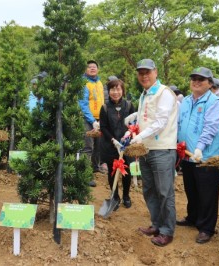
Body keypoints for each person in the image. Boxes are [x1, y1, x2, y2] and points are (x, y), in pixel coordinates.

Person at [125, 59, 178, 247]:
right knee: (149, 190)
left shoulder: (164, 93)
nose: (144, 76)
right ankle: (156, 224)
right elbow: (142, 119)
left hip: (162, 149)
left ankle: (167, 231)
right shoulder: (144, 94)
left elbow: (161, 121)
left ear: (155, 72)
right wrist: (131, 131)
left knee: (164, 192)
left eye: (147, 72)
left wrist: (140, 137)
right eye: (141, 73)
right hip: (146, 150)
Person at [177, 67, 219, 244]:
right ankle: (193, 217)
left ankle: (206, 228)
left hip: (206, 157)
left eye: (201, 79)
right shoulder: (185, 101)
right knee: (192, 190)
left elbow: (211, 127)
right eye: (194, 78)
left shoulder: (215, 102)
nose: (196, 82)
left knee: (208, 193)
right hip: (187, 156)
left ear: (210, 83)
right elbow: (178, 123)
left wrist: (199, 148)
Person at [99, 79, 135, 210]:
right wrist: (113, 140)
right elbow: (103, 127)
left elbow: (133, 124)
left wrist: (127, 136)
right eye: (112, 89)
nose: (115, 92)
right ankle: (115, 196)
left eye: (118, 89)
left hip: (126, 144)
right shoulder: (104, 108)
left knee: (126, 171)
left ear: (123, 91)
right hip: (110, 145)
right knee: (113, 171)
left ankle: (126, 195)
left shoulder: (129, 106)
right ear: (108, 92)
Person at [79, 60, 104, 187]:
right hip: (87, 119)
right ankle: (85, 174)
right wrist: (92, 120)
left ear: (98, 70)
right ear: (86, 70)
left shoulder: (99, 83)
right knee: (87, 146)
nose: (92, 68)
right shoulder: (84, 83)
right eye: (89, 67)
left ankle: (96, 167)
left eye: (95, 67)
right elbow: (82, 104)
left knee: (98, 145)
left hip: (100, 119)